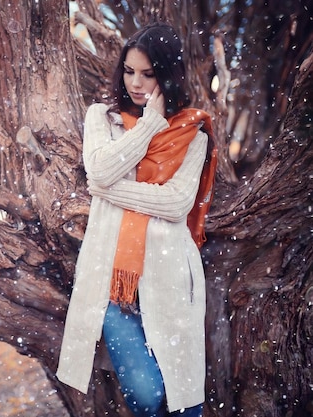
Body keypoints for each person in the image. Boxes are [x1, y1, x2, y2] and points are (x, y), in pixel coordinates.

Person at [56, 22, 218, 417]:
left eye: (148, 74)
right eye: (129, 71)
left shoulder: (192, 134)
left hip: (172, 280)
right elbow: (99, 172)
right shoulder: (102, 118)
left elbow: (178, 204)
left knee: (185, 403)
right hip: (114, 284)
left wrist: (109, 189)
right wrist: (148, 124)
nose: (136, 82)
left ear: (168, 74)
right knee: (146, 397)